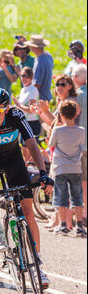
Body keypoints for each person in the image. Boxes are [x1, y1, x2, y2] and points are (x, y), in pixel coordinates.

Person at [0, 87, 53, 288]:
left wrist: (43, 173)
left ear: (6, 109)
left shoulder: (16, 115)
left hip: (13, 160)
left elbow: (32, 144)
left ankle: (38, 265)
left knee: (28, 213)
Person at [49, 100, 86, 237]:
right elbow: (80, 143)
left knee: (61, 197)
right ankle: (80, 226)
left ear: (61, 115)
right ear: (75, 114)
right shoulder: (80, 131)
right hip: (76, 168)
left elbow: (51, 144)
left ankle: (63, 225)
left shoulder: (57, 130)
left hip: (60, 168)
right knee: (77, 197)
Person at [72, 64, 87, 225]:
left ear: (75, 79)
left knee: (82, 181)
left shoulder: (78, 96)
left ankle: (83, 215)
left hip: (81, 144)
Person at [24, 35, 54, 102]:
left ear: (34, 47)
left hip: (40, 98)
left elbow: (37, 84)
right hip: (46, 96)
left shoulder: (40, 61)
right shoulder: (48, 56)